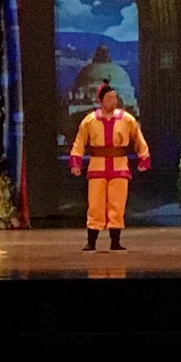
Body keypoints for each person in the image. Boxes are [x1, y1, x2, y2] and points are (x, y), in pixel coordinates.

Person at [70, 79, 150, 251]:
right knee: (95, 204)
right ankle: (91, 241)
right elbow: (79, 141)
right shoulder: (90, 120)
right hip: (97, 167)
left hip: (119, 167)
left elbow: (138, 138)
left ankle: (115, 241)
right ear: (101, 101)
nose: (112, 101)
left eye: (114, 98)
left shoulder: (127, 119)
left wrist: (144, 157)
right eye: (108, 99)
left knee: (117, 204)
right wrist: (76, 162)